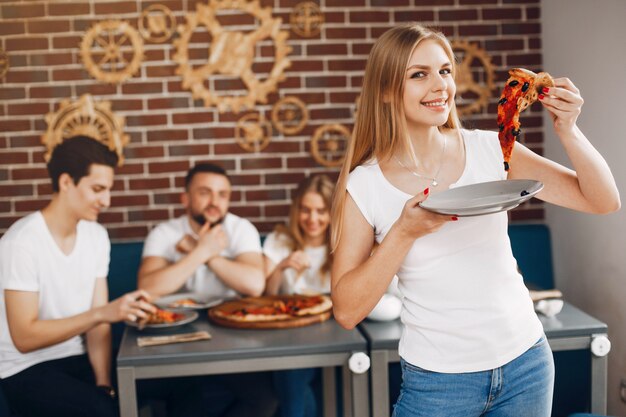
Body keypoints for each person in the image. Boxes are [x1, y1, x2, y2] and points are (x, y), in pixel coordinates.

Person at [330, 23, 620, 417]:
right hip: (438, 381)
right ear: (384, 91)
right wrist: (403, 233)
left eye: (445, 71)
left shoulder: (491, 149)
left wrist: (568, 129)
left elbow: (603, 200)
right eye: (419, 74)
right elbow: (347, 311)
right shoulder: (366, 184)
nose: (440, 86)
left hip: (526, 363)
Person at [0, 136, 157, 417]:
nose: (106, 201)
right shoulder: (21, 242)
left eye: (109, 190)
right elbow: (24, 337)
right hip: (24, 368)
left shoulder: (96, 236)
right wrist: (102, 314)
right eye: (98, 189)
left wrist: (104, 384)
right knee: (98, 410)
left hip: (78, 359)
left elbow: (99, 326)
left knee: (175, 384)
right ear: (66, 183)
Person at [138, 162, 277, 417]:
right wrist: (201, 252)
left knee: (264, 400)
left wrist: (207, 254)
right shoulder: (164, 233)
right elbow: (148, 288)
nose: (215, 201)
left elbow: (254, 285)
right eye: (205, 192)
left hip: (231, 332)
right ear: (185, 198)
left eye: (222, 194)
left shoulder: (240, 229)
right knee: (188, 401)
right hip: (177, 336)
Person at [263, 174, 333, 417]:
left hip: (334, 331)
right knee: (292, 371)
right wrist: (281, 267)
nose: (312, 219)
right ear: (296, 210)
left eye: (321, 211)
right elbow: (265, 295)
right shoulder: (279, 240)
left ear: (332, 212)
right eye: (305, 210)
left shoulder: (342, 243)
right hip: (288, 333)